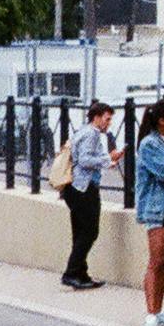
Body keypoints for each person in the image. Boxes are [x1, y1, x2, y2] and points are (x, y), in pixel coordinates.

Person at [59, 103, 119, 291]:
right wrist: (107, 160)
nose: (109, 123)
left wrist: (107, 158)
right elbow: (84, 160)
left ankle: (80, 274)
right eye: (107, 119)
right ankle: (71, 273)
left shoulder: (83, 132)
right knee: (90, 231)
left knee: (80, 231)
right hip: (84, 187)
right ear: (97, 117)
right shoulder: (92, 134)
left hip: (75, 187)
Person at [135, 100, 164, 326]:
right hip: (158, 207)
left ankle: (159, 308)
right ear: (161, 120)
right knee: (157, 260)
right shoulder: (149, 144)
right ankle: (151, 312)